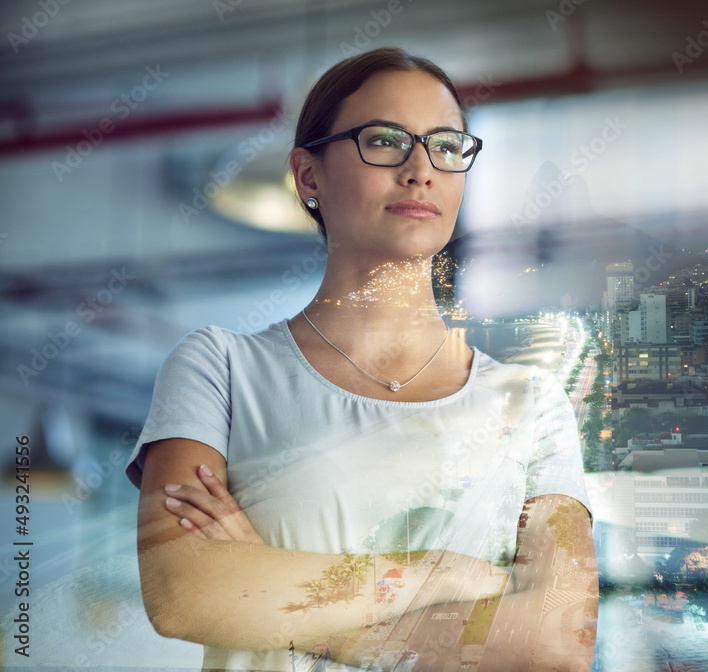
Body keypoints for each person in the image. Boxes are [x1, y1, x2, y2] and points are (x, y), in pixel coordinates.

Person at [127, 47, 597, 671]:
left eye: (446, 146)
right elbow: (185, 595)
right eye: (384, 140)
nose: (420, 170)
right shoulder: (221, 369)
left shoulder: (534, 405)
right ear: (308, 175)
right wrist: (440, 575)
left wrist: (282, 606)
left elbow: (558, 646)